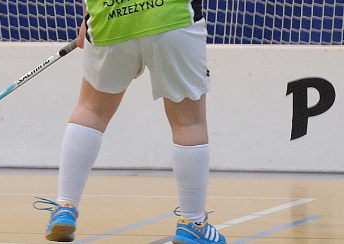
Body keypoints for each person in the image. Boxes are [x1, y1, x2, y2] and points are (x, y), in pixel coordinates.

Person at [35, 0, 226, 243]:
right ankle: (193, 222)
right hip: (170, 16)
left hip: (109, 17)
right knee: (188, 122)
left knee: (91, 111)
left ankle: (65, 206)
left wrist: (88, 16)